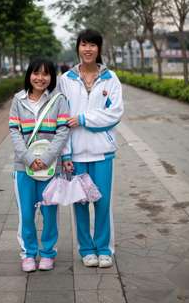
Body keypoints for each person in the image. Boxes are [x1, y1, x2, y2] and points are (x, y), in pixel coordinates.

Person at [59, 29, 124, 268]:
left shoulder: (110, 79)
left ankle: (104, 249)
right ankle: (86, 249)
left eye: (93, 45)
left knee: (103, 202)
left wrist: (84, 119)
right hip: (75, 154)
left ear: (99, 49)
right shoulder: (65, 80)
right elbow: (62, 119)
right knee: (80, 202)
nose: (88, 49)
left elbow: (114, 113)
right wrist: (65, 153)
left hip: (102, 153)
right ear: (78, 47)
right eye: (84, 44)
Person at [9, 58, 70, 272]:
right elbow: (14, 131)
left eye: (46, 74)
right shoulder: (18, 99)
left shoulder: (59, 100)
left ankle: (47, 253)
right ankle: (28, 253)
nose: (40, 78)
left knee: (49, 212)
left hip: (51, 168)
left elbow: (63, 131)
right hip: (23, 168)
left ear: (52, 77)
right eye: (36, 73)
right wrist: (27, 158)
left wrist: (46, 158)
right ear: (29, 75)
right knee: (26, 213)